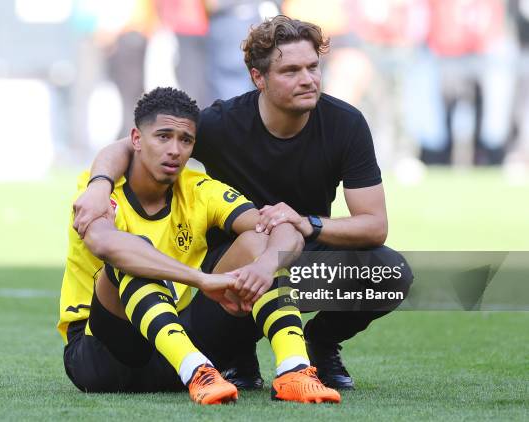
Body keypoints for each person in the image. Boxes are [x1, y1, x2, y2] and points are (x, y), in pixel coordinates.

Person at [73, 16, 414, 390]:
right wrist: (99, 184)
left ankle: (321, 342)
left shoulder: (345, 124)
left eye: (313, 67)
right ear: (258, 78)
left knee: (390, 273)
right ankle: (237, 351)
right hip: (233, 268)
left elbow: (374, 225)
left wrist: (307, 223)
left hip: (296, 256)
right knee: (251, 247)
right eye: (291, 70)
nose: (308, 79)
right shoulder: (222, 123)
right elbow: (134, 144)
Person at [58, 87, 341, 404]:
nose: (175, 150)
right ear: (136, 140)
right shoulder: (98, 188)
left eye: (185, 140)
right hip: (104, 356)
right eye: (163, 137)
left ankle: (295, 371)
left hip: (179, 346)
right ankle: (197, 372)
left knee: (261, 242)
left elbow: (285, 228)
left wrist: (264, 267)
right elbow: (103, 242)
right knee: (131, 254)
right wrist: (200, 280)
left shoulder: (200, 189)